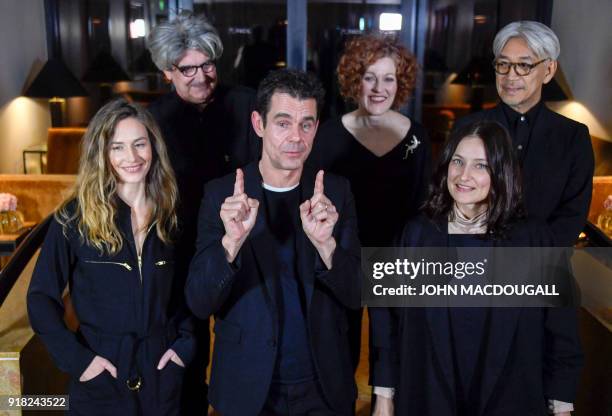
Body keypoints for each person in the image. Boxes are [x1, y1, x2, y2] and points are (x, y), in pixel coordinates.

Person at [372, 121, 582, 416]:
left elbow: (561, 332)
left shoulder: (535, 239)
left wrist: (561, 407)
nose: (463, 175)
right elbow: (386, 318)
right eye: (457, 161)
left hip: (511, 400)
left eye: (480, 166)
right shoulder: (416, 234)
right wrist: (383, 396)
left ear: (501, 173)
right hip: (427, 398)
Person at [185, 69, 361, 415]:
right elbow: (199, 301)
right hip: (246, 388)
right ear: (258, 124)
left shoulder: (336, 193)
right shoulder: (221, 194)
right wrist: (230, 244)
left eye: (306, 124)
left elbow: (357, 294)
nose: (296, 137)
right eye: (283, 123)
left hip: (322, 386)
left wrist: (327, 247)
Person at [27, 99, 194, 415]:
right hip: (101, 373)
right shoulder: (73, 218)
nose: (131, 157)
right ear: (101, 155)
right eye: (117, 147)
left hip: (160, 374)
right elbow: (40, 298)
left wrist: (183, 346)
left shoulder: (172, 216)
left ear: (153, 147)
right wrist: (79, 361)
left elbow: (187, 292)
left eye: (139, 144)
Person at [146, 12, 261, 413]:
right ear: (167, 71)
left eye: (207, 64)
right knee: (187, 355)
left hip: (241, 244)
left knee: (245, 343)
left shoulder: (247, 104)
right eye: (188, 68)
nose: (201, 76)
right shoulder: (153, 121)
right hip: (179, 250)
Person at [309, 35, 431, 401]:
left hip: (396, 257)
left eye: (389, 78)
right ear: (353, 80)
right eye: (370, 77)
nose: (379, 88)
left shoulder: (418, 138)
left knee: (391, 341)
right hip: (340, 255)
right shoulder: (328, 135)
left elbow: (425, 206)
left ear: (401, 83)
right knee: (338, 344)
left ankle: (384, 405)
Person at [454, 21, 594, 247]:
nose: (510, 76)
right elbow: (451, 204)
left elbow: (572, 218)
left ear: (548, 70)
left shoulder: (573, 137)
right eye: (503, 64)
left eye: (524, 66)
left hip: (544, 267)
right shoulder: (466, 127)